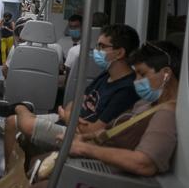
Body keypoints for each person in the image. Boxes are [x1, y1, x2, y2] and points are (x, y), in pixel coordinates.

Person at [0, 24, 140, 187]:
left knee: (24, 123)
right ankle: (8, 177)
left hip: (80, 135)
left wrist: (68, 117)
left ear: (120, 52)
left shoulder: (126, 89)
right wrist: (68, 116)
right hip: (71, 121)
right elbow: (76, 101)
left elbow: (93, 130)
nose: (96, 50)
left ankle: (21, 107)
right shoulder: (105, 75)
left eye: (102, 46)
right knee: (11, 122)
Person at [30, 41, 181, 187]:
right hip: (108, 158)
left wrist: (84, 148)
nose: (137, 81)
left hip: (119, 176)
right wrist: (85, 137)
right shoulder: (146, 103)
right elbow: (115, 129)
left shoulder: (166, 114)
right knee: (36, 163)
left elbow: (144, 163)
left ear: (166, 74)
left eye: (142, 74)